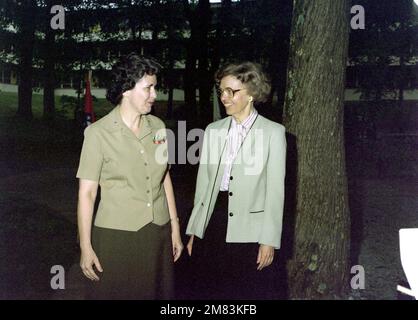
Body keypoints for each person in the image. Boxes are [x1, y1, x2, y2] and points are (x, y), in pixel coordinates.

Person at [76, 53, 183, 300]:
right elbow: (87, 194)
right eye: (148, 88)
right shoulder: (97, 134)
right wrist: (85, 246)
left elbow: (164, 177)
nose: (155, 95)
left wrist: (175, 227)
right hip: (116, 238)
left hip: (158, 231)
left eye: (155, 87)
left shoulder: (158, 127)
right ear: (126, 90)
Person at [185, 61, 286, 299]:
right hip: (214, 221)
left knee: (243, 292)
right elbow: (203, 186)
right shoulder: (213, 130)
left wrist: (269, 240)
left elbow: (275, 191)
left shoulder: (273, 133)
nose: (224, 97)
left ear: (251, 92)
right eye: (221, 91)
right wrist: (193, 231)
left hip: (250, 229)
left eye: (232, 91)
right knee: (209, 290)